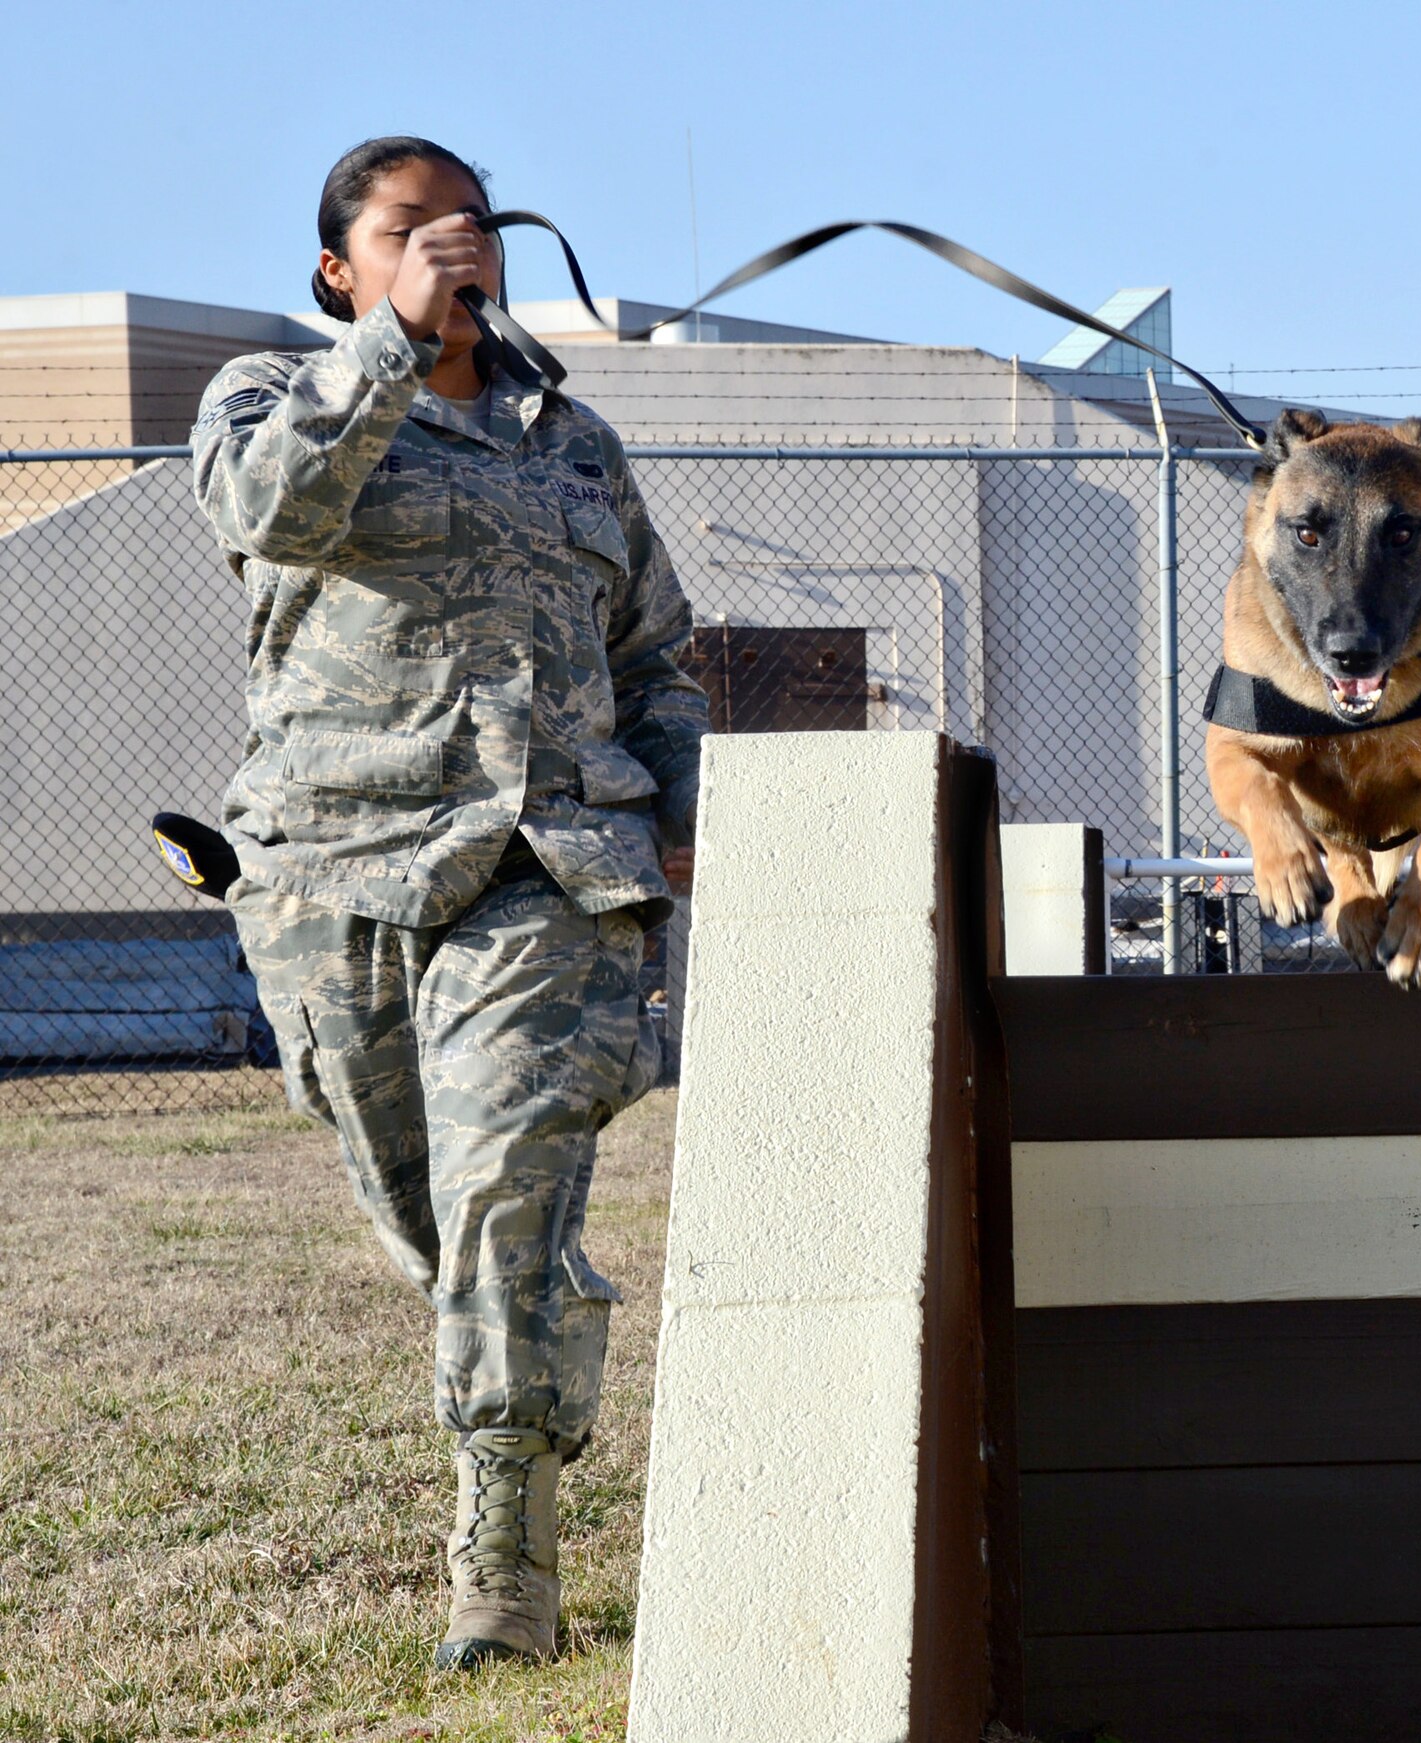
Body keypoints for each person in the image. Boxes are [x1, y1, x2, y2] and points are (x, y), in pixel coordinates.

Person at [189, 136, 708, 1670]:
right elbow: (270, 516)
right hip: (334, 870)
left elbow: (656, 660)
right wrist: (389, 352)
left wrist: (687, 821)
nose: (448, 242)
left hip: (547, 870)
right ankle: (537, 1314)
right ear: (340, 271)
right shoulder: (264, 397)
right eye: (404, 228)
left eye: (463, 220)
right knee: (438, 1223)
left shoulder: (575, 440)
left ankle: (508, 1560)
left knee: (496, 1190)